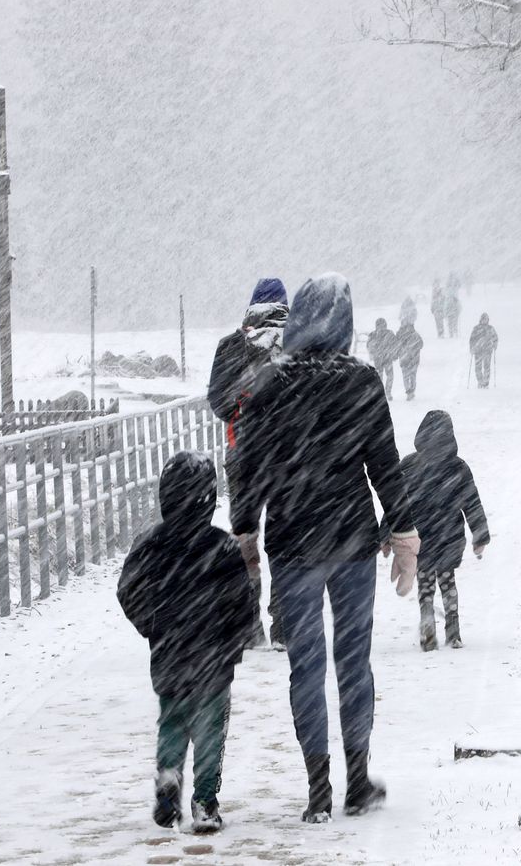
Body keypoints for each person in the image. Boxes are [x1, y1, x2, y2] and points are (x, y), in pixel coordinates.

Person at [231, 273, 419, 824]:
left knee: (305, 666)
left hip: (292, 545)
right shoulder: (362, 381)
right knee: (353, 661)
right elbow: (383, 463)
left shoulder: (269, 383)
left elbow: (250, 468)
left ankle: (318, 787)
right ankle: (357, 779)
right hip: (353, 541)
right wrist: (403, 530)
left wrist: (245, 529)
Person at [117, 451, 258, 834]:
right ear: (210, 498)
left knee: (173, 722)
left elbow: (127, 590)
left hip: (169, 655)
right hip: (214, 658)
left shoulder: (149, 544)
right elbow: (242, 601)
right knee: (211, 730)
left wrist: (153, 625)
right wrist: (237, 639)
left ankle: (168, 775)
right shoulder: (223, 547)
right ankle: (205, 801)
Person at [206, 278, 288, 648]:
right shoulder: (298, 341)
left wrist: (241, 412)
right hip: (292, 456)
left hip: (243, 454)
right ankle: (284, 621)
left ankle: (250, 623)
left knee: (245, 537)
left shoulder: (231, 346)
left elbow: (217, 400)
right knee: (288, 537)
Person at [389, 411, 489, 651]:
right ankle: (453, 630)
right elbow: (472, 502)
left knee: (425, 581)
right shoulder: (458, 467)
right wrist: (480, 534)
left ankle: (426, 621)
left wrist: (386, 532)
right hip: (450, 535)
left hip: (421, 535)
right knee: (447, 581)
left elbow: (394, 502)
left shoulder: (411, 465)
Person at [366, 318, 398, 400]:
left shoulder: (389, 334)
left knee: (389, 376)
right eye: (380, 326)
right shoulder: (374, 335)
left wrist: (394, 354)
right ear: (376, 326)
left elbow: (395, 344)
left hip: (387, 358)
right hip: (380, 359)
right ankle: (381, 393)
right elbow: (369, 346)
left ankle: (387, 392)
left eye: (383, 325)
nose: (381, 327)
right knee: (380, 377)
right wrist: (373, 352)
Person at [395, 318, 424, 401]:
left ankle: (409, 392)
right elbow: (421, 345)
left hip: (405, 358)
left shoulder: (399, 334)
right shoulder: (415, 334)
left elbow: (395, 346)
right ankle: (411, 391)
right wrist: (414, 349)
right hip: (413, 358)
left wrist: (399, 352)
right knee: (412, 376)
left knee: (406, 376)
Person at [468, 313, 498, 388]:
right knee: (478, 367)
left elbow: (495, 338)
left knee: (487, 367)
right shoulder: (476, 328)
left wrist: (495, 345)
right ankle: (480, 381)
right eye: (483, 319)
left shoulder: (491, 328)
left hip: (487, 350)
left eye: (486, 319)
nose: (485, 321)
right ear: (481, 320)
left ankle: (486, 383)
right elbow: (472, 339)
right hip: (478, 350)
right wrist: (471, 348)